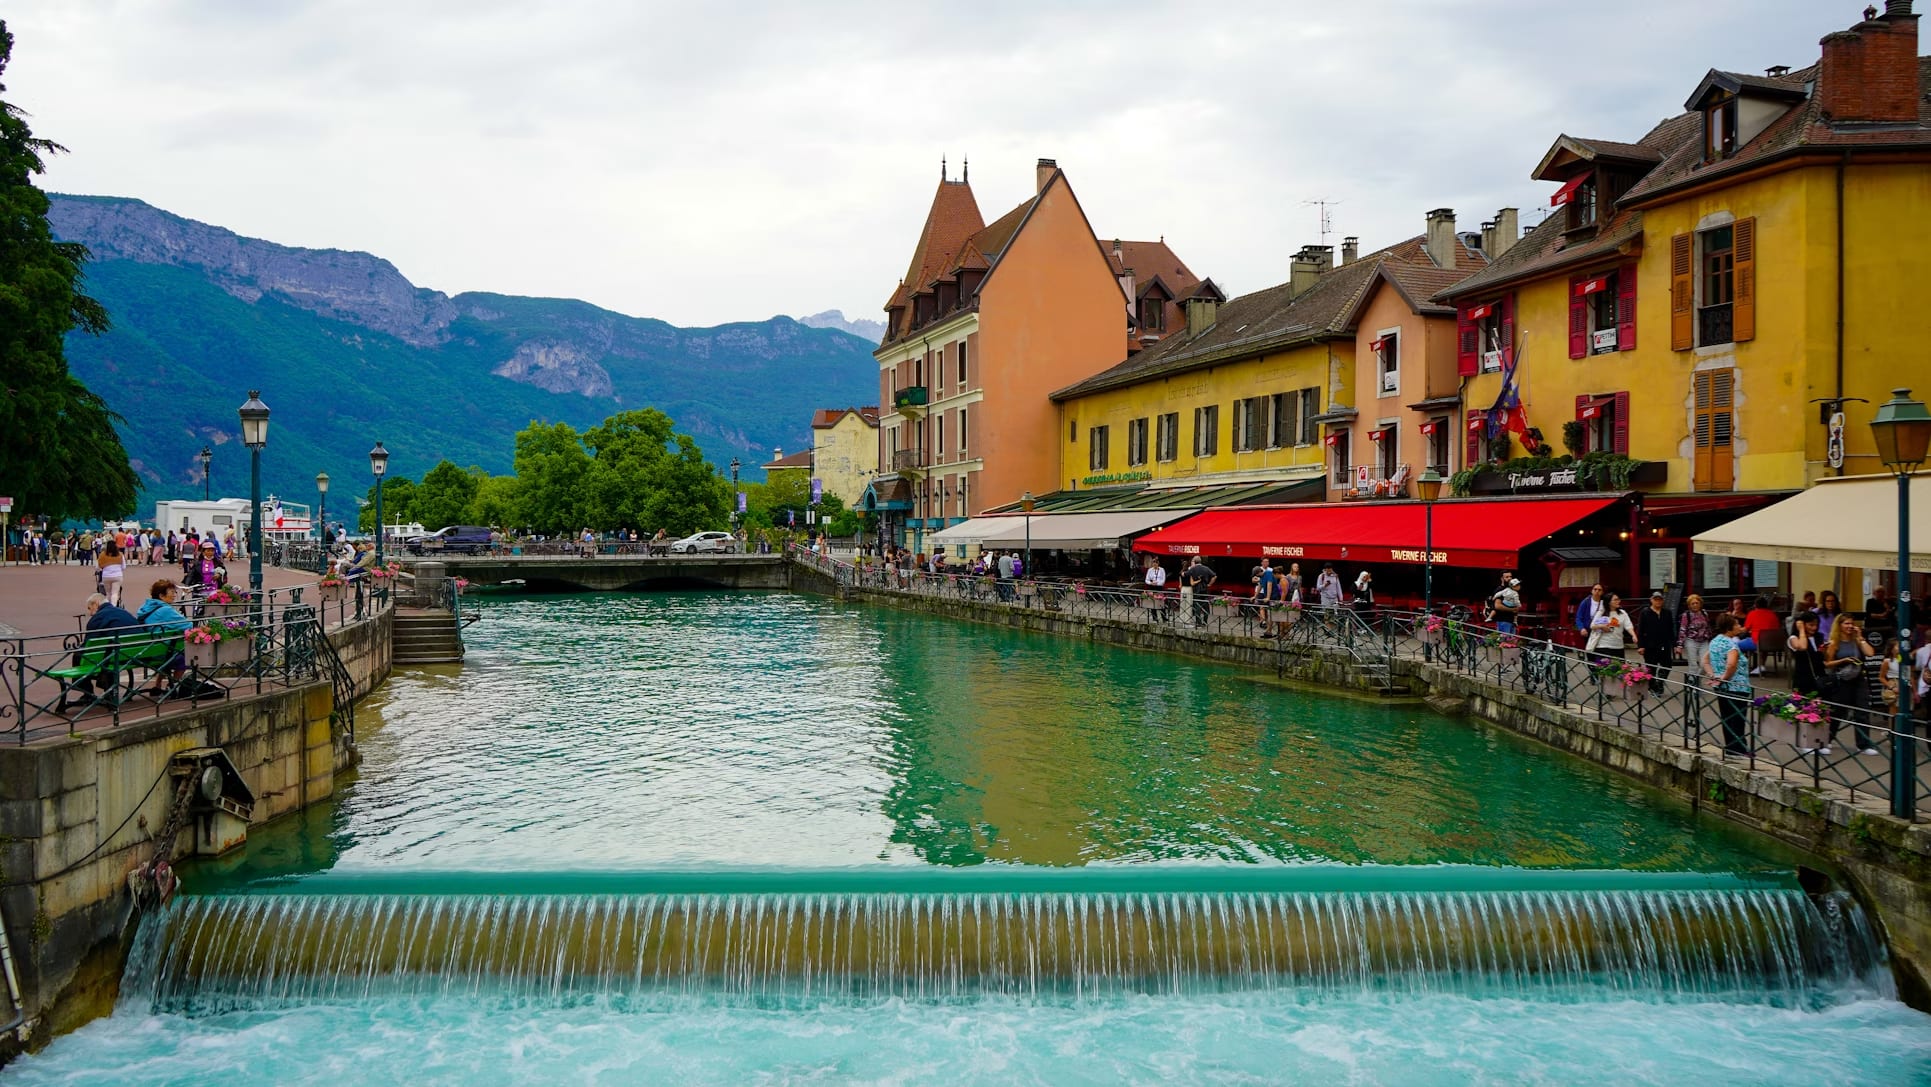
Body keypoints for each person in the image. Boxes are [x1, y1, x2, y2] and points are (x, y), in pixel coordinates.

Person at [59, 592, 141, 709]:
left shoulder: (98, 618)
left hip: (114, 657)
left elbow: (88, 645)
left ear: (96, 604)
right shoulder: (125, 613)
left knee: (78, 655)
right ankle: (109, 691)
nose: (90, 613)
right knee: (109, 653)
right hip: (134, 655)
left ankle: (87, 692)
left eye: (90, 608)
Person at [1823, 616, 1878, 755]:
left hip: (1858, 678)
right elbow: (1827, 663)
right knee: (1837, 711)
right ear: (1839, 625)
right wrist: (1844, 660)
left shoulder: (1856, 641)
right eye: (1846, 623)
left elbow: (1870, 653)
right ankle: (1826, 739)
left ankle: (1863, 744)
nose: (1850, 626)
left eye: (1852, 623)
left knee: (1862, 711)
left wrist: (1860, 636)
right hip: (1842, 679)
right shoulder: (1834, 642)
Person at [133, 579, 193, 695]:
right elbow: (188, 625)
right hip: (161, 653)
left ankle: (158, 684)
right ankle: (173, 685)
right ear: (161, 596)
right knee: (185, 656)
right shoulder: (165, 610)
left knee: (168, 648)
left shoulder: (145, 607)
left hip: (148, 650)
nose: (174, 596)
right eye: (171, 593)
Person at [1706, 613, 1753, 757]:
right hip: (1737, 686)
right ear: (1729, 628)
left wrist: (1713, 675)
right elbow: (1732, 664)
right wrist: (1725, 678)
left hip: (1721, 686)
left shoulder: (1715, 641)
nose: (1739, 626)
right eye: (1737, 624)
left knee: (1726, 717)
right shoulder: (1731, 644)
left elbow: (1705, 660)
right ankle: (1739, 748)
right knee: (1738, 718)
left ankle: (1731, 746)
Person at [1636, 591, 1675, 692]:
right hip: (1650, 644)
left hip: (1664, 644)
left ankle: (1660, 682)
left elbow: (1671, 629)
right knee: (1651, 667)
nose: (1658, 601)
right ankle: (1653, 687)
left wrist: (1674, 644)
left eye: (1660, 599)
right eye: (1655, 599)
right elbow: (1640, 630)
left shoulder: (1667, 612)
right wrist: (1640, 645)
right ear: (1651, 600)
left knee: (1667, 665)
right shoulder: (1645, 612)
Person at [1742, 595, 1783, 675]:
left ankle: (1741, 665)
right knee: (1764, 642)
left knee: (1735, 645)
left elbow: (1745, 629)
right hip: (1773, 643)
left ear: (1755, 605)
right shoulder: (1773, 614)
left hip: (1757, 642)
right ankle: (1761, 666)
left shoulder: (1752, 614)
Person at [1678, 594, 1713, 685]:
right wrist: (1680, 645)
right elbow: (1683, 629)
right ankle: (1694, 686)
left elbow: (1708, 627)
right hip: (1691, 641)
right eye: (1692, 603)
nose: (1695, 605)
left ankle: (1695, 681)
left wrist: (1711, 639)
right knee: (1693, 665)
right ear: (1689, 605)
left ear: (1700, 604)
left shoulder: (1704, 613)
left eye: (1696, 603)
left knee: (1704, 664)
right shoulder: (1687, 615)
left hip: (1704, 641)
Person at [1586, 592, 1634, 658]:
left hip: (1618, 645)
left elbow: (1628, 626)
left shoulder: (1622, 613)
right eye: (1615, 600)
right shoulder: (1601, 612)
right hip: (1603, 646)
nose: (1618, 601)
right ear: (1609, 602)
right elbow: (1592, 626)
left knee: (1619, 667)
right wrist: (1602, 626)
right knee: (1604, 667)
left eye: (1618, 599)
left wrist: (1633, 635)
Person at [1182, 556, 1215, 626]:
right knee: (1206, 606)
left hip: (1196, 589)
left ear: (1195, 561)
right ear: (1200, 561)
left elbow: (1184, 574)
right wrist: (1209, 584)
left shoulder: (1193, 569)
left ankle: (1198, 622)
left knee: (1197, 606)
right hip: (1205, 588)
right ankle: (1205, 622)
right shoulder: (1206, 568)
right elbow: (1214, 576)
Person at [96, 539, 126, 607]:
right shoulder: (120, 554)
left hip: (106, 575)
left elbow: (98, 567)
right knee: (115, 593)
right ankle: (113, 606)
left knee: (108, 593)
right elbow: (124, 567)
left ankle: (106, 606)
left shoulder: (102, 555)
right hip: (117, 575)